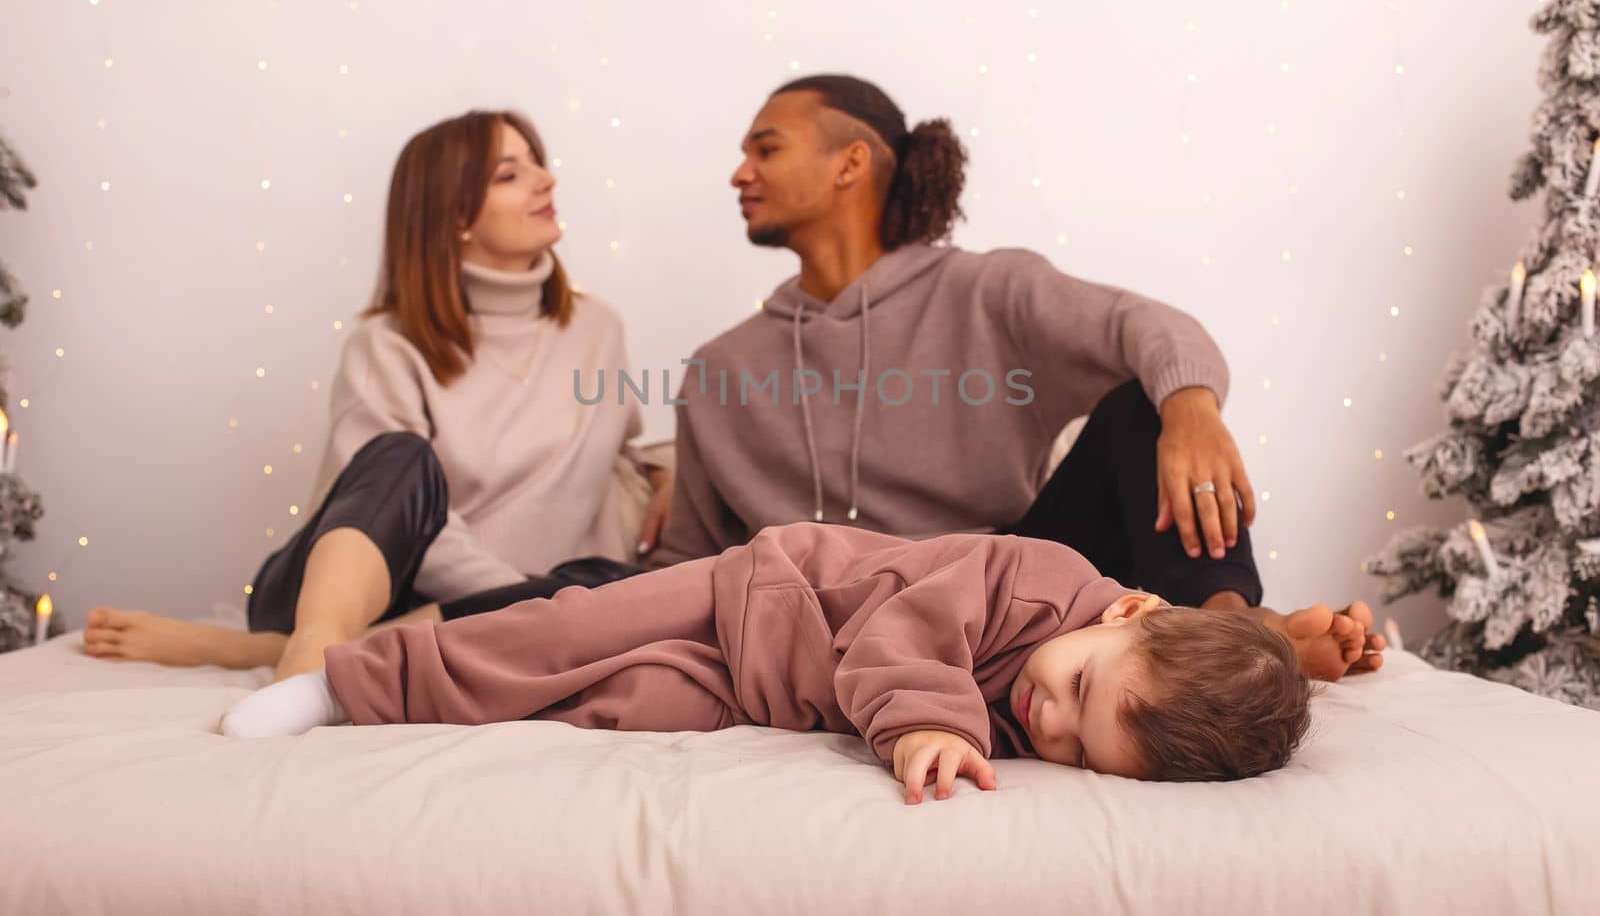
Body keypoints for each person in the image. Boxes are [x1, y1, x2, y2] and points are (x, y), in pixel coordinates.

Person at [646, 73, 1385, 682]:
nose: (740, 173)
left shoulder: (988, 291)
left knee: (1146, 405)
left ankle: (1226, 630)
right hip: (833, 622)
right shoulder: (720, 370)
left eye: (765, 149)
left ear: (851, 163)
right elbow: (689, 559)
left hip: (1011, 597)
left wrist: (1192, 408)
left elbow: (1152, 326)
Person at [82, 110, 672, 680]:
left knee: (615, 588)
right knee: (400, 457)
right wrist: (518, 604)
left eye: (537, 163)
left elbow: (617, 456)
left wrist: (668, 469)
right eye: (510, 174)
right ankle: (313, 641)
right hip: (360, 593)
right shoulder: (388, 344)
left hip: (513, 605)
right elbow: (398, 508)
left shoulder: (598, 329)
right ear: (454, 217)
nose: (547, 180)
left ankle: (258, 653)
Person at [218, 522, 1317, 801]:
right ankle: (339, 680)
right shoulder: (1035, 575)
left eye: (1079, 747)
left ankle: (432, 711)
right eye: (1080, 686)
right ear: (1128, 606)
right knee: (553, 633)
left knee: (603, 704)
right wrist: (934, 726)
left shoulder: (1084, 698)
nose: (1052, 715)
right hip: (757, 593)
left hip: (766, 691)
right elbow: (903, 639)